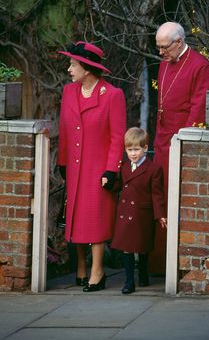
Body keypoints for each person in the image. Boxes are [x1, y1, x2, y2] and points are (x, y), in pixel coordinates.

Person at [57, 41, 127, 292]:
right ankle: (81, 268)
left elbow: (117, 137)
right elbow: (65, 131)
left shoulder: (112, 95)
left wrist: (112, 169)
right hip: (75, 167)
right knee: (76, 218)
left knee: (95, 218)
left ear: (87, 69)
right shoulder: (69, 92)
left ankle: (98, 271)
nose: (69, 69)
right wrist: (62, 162)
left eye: (73, 64)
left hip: (98, 169)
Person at [151, 21, 209, 273]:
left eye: (164, 47)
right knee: (160, 200)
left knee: (178, 201)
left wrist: (182, 142)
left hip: (182, 143)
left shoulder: (200, 66)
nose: (161, 53)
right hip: (161, 142)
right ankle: (159, 265)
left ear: (179, 42)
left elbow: (198, 109)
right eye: (158, 47)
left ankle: (180, 267)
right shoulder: (164, 63)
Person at [104, 127, 167, 294]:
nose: (133, 153)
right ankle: (129, 282)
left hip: (142, 214)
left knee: (142, 247)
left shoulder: (154, 169)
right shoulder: (124, 166)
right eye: (129, 149)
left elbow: (157, 195)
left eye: (136, 149)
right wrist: (108, 183)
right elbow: (121, 185)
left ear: (145, 148)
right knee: (127, 248)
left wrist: (160, 215)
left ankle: (143, 275)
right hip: (125, 212)